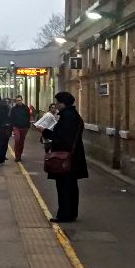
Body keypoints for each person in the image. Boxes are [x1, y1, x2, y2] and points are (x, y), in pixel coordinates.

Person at [34, 92, 87, 223]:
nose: (56, 105)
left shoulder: (67, 118)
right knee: (71, 186)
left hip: (65, 158)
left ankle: (65, 215)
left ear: (63, 103)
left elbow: (61, 138)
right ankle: (71, 213)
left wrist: (44, 132)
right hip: (73, 157)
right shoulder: (74, 116)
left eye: (57, 102)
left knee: (64, 187)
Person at [10, 95, 30, 162]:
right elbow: (11, 118)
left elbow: (28, 116)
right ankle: (17, 156)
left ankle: (20, 155)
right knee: (17, 140)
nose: (19, 102)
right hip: (16, 127)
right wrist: (12, 127)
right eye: (17, 100)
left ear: (22, 100)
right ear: (16, 101)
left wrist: (27, 125)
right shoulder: (13, 109)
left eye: (20, 100)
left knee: (21, 142)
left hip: (24, 127)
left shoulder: (26, 108)